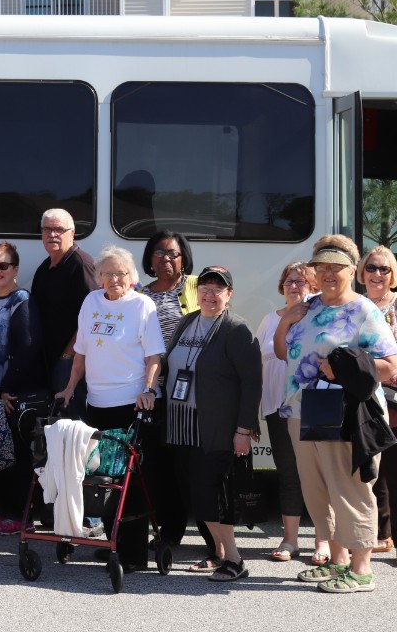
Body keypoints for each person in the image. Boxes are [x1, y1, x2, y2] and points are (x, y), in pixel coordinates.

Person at [276, 234, 397, 594]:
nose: (328, 273)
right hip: (302, 409)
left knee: (350, 487)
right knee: (318, 489)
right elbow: (284, 353)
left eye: (337, 267)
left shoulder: (363, 310)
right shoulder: (309, 307)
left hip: (345, 413)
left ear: (352, 272)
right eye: (321, 267)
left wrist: (342, 367)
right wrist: (286, 322)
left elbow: (390, 366)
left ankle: (362, 570)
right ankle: (338, 560)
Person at [56, 245, 164, 572]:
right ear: (99, 277)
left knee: (128, 480)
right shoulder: (91, 303)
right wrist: (70, 387)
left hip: (130, 405)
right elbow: (81, 353)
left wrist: (148, 390)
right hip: (96, 405)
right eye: (108, 273)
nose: (115, 279)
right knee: (101, 479)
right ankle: (109, 542)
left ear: (131, 277)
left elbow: (154, 356)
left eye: (121, 273)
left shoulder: (142, 305)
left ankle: (132, 554)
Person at [162, 266, 261, 582]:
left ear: (229, 294)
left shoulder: (236, 329)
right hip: (181, 427)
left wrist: (244, 430)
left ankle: (234, 560)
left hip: (214, 429)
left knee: (212, 496)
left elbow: (252, 383)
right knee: (195, 495)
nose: (209, 293)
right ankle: (219, 555)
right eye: (204, 286)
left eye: (218, 288)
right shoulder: (188, 321)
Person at [256, 261, 323, 564]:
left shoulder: (321, 317)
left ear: (314, 286)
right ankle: (291, 540)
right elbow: (257, 367)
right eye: (288, 281)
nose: (294, 286)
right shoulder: (269, 320)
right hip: (277, 407)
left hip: (316, 405)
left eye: (301, 282)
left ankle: (323, 541)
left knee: (321, 474)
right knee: (288, 474)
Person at [0, 241, 42, 536]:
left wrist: (8, 388)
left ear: (15, 269)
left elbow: (27, 346)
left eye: (4, 265)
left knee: (17, 454)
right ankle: (2, 512)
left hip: (12, 392)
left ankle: (21, 515)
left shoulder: (22, 300)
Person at [137, 230, 199, 546]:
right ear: (150, 259)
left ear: (183, 258)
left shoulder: (197, 286)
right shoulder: (139, 294)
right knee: (158, 467)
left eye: (173, 253)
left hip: (191, 395)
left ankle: (212, 540)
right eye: (159, 253)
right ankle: (168, 530)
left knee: (188, 466)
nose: (166, 259)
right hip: (155, 394)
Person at [31, 208, 97, 419]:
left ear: (72, 232)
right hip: (50, 360)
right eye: (47, 229)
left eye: (59, 229)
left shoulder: (81, 265)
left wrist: (68, 354)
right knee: (57, 423)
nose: (52, 234)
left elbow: (93, 315)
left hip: (70, 362)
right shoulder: (45, 267)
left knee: (75, 423)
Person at [359, 246, 397, 557]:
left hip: (394, 393)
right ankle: (381, 533)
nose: (377, 274)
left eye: (384, 269)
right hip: (365, 395)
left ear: (392, 274)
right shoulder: (356, 305)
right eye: (372, 268)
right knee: (374, 465)